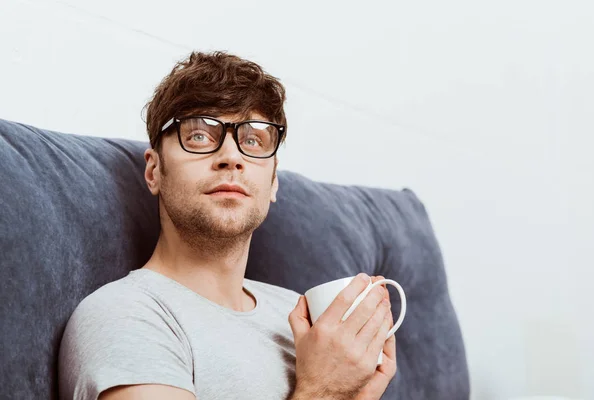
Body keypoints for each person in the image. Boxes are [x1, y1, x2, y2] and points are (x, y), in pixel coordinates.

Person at [58, 51, 397, 400]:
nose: (232, 157)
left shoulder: (305, 316)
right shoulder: (125, 316)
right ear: (154, 170)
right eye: (200, 136)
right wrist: (326, 390)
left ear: (274, 180)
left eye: (253, 140)